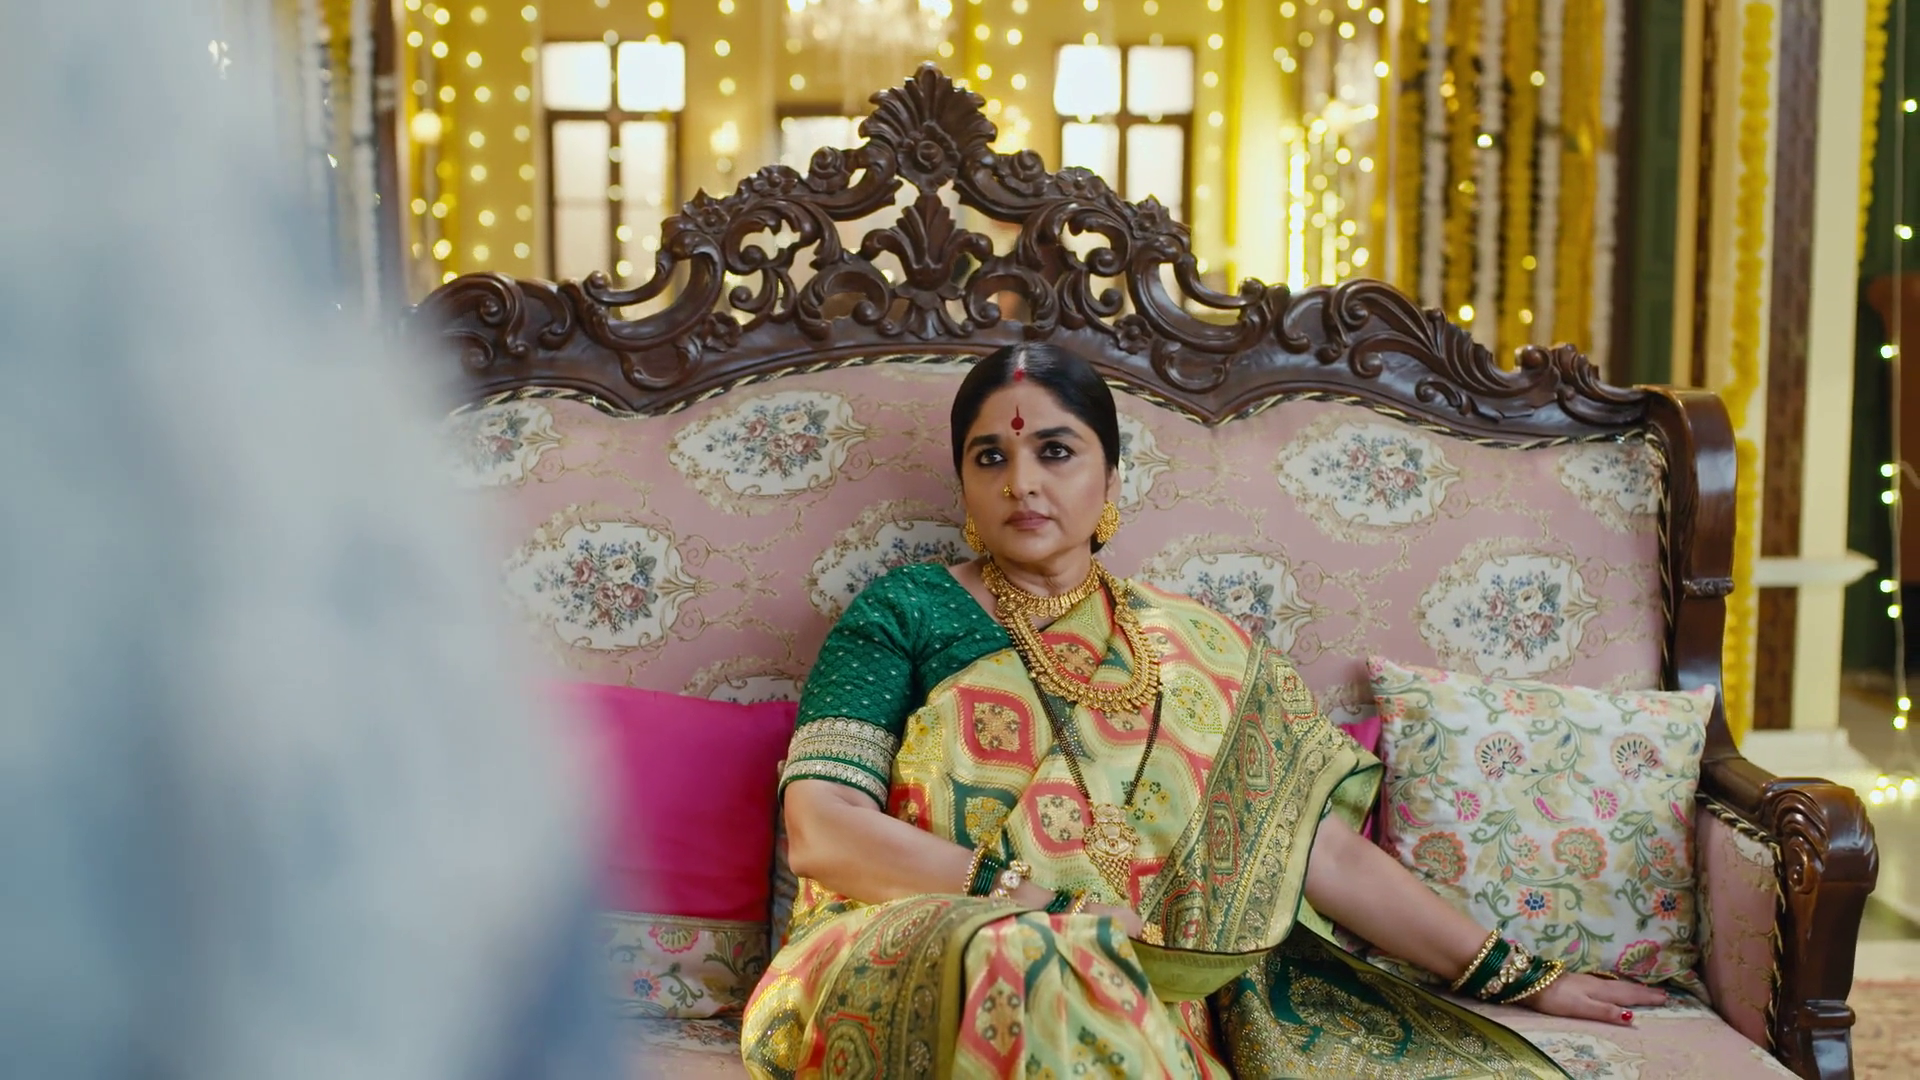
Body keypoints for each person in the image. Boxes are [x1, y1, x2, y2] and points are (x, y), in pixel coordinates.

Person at [740, 343, 1665, 1077]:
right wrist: (1037, 906)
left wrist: (1514, 974)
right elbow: (822, 829)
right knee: (1042, 960)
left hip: (1130, 972)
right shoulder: (903, 612)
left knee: (1079, 969)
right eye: (992, 457)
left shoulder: (1194, 649)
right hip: (911, 942)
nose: (1022, 481)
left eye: (1055, 451)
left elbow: (1322, 852)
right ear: (966, 489)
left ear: (1111, 480)